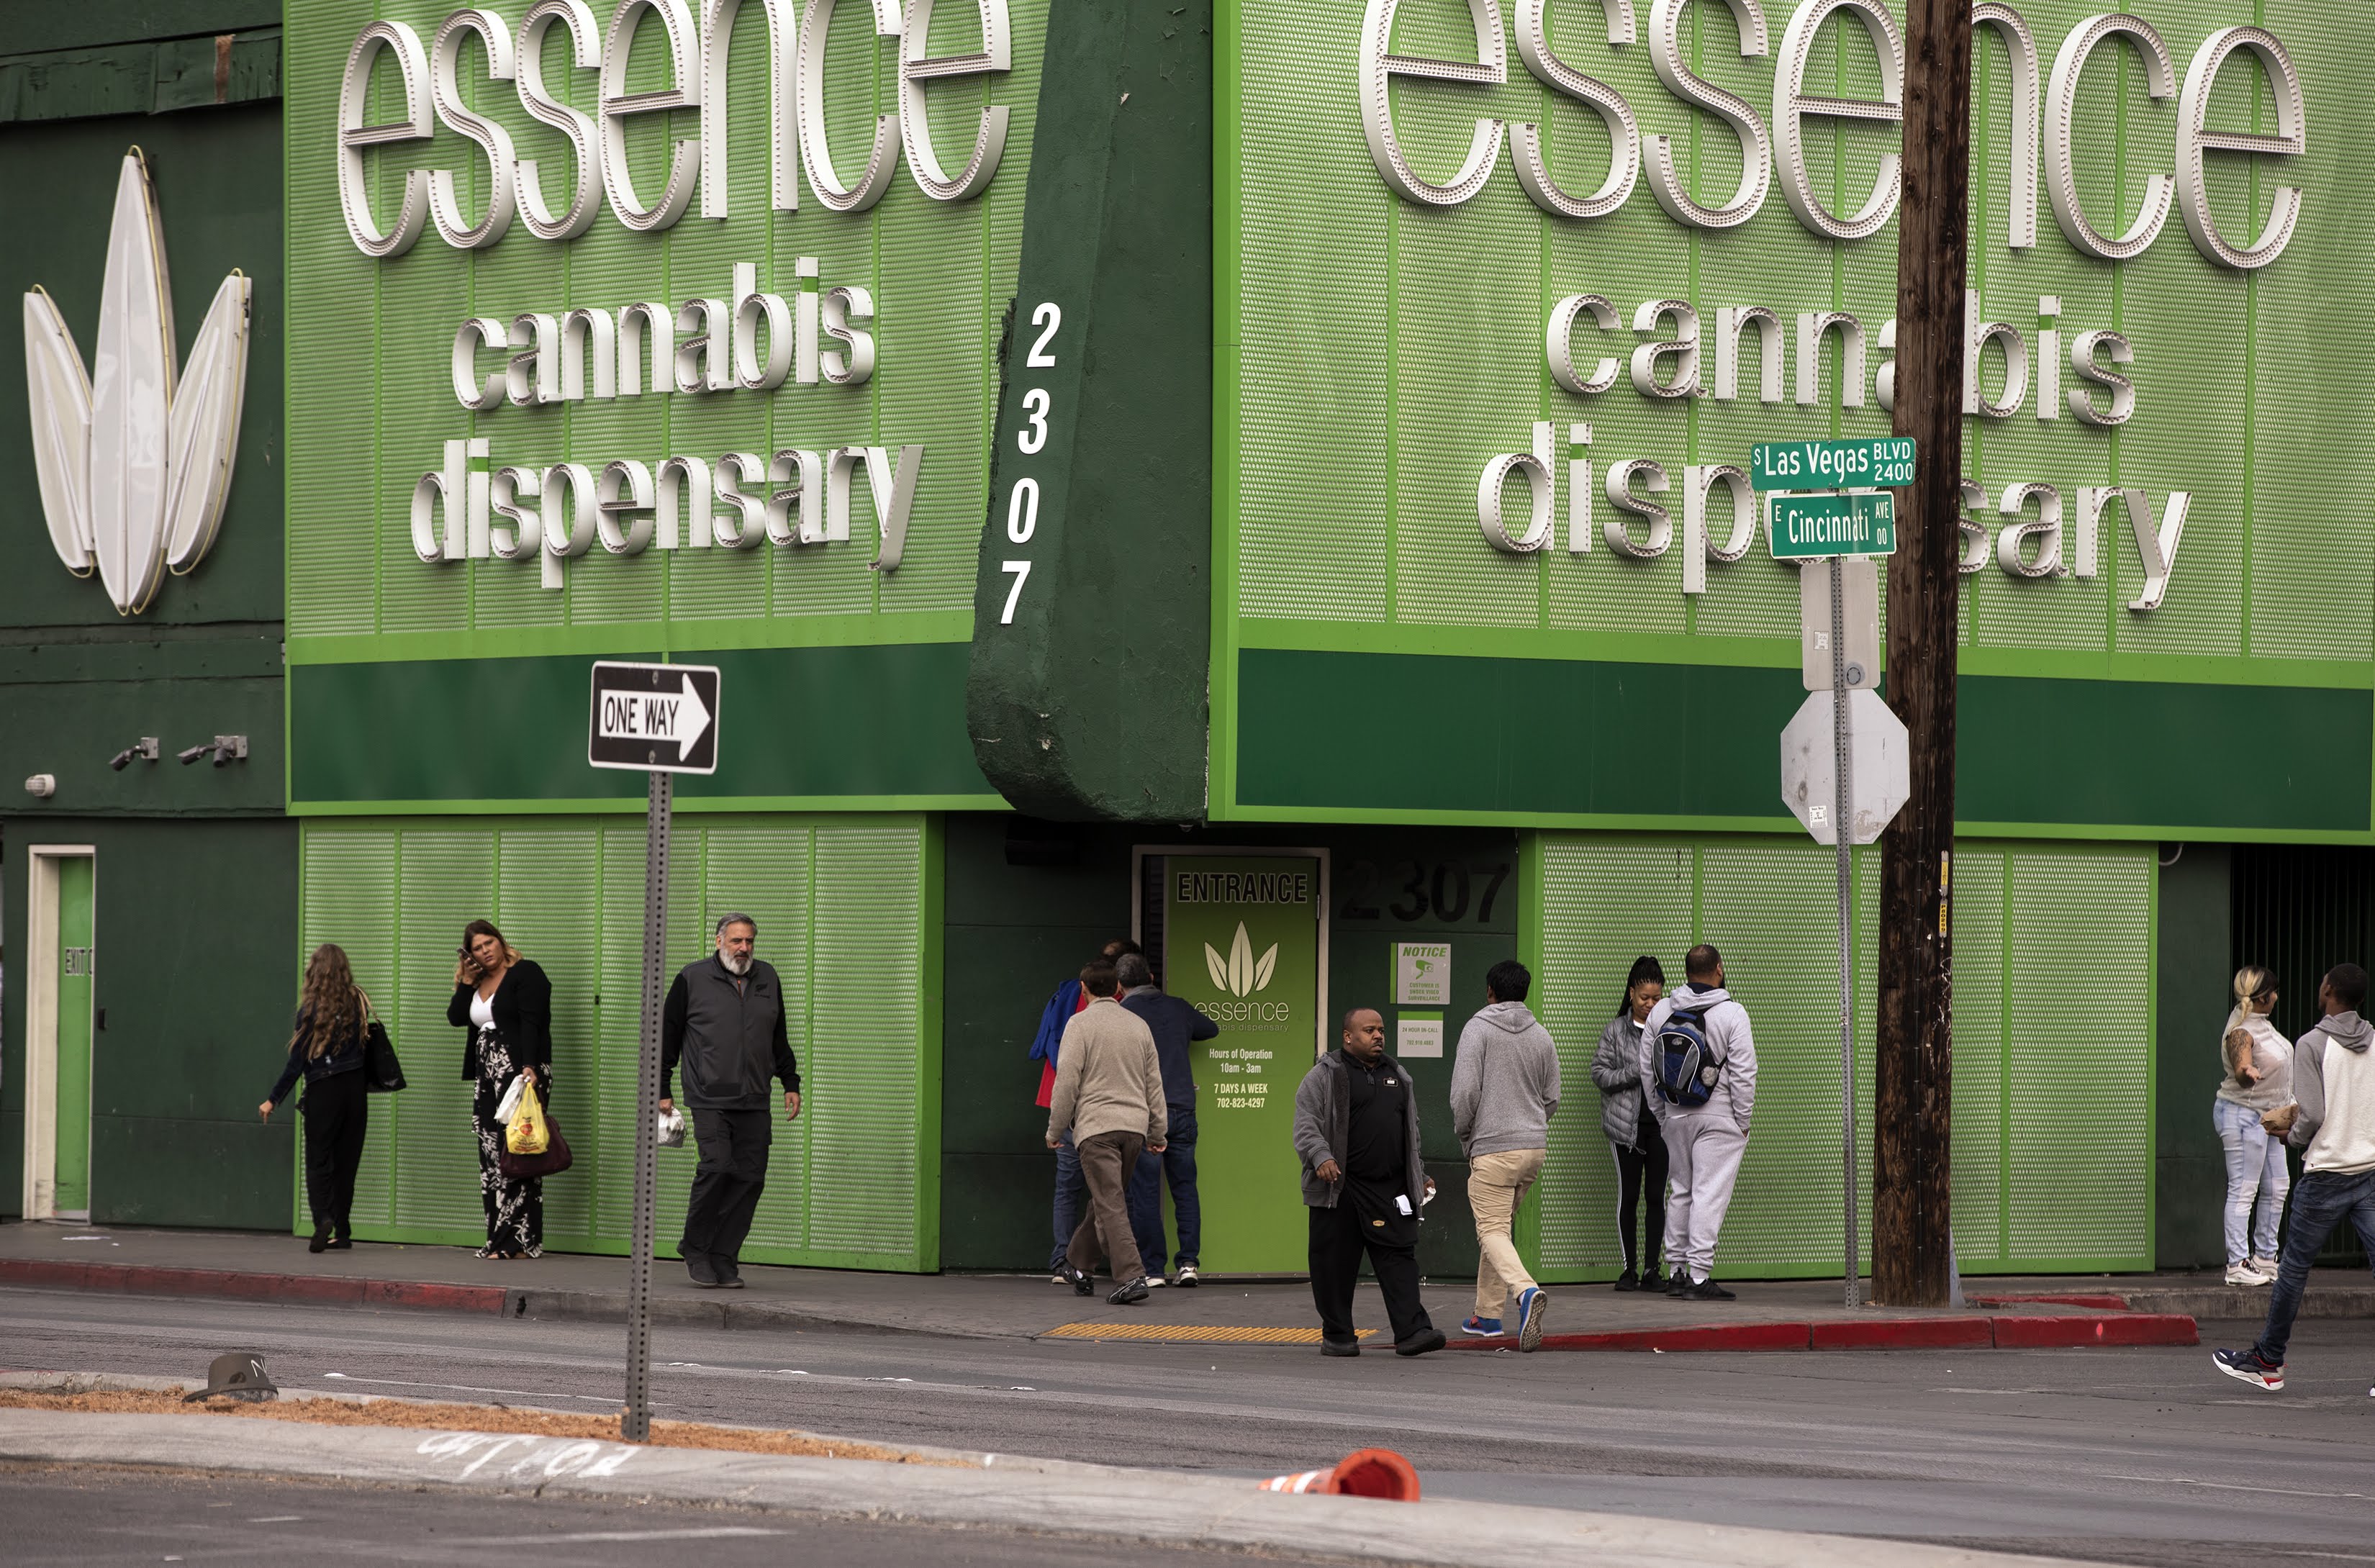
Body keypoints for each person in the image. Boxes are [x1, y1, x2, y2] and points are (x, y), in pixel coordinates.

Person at [2215, 963, 2375, 1392]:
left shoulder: (2312, 1043)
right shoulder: (2374, 1039)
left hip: (2327, 1171)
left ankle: (2268, 1361)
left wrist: (2293, 1136)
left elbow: (2315, 1113)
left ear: (2327, 991)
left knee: (2294, 1272)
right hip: (2368, 1169)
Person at [659, 912, 802, 1289]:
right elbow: (667, 1036)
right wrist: (661, 1087)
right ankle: (696, 1248)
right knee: (718, 1167)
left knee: (750, 1177)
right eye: (737, 941)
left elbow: (778, 1034)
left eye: (750, 941)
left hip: (755, 1095)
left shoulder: (767, 978)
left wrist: (790, 1081)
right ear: (719, 941)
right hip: (708, 1095)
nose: (744, 948)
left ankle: (723, 1257)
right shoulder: (692, 978)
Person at [1293, 1007, 1445, 1358]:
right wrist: (1321, 1157)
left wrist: (1417, 1175)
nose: (1379, 1036)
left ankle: (1412, 1332)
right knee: (1333, 1265)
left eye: (1381, 1030)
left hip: (1389, 1189)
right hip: (1340, 1189)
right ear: (1348, 1037)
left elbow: (1411, 1134)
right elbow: (1305, 1124)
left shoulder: (1398, 1076)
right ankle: (1338, 1336)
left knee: (1399, 1259)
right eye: (1369, 1030)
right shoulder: (1324, 1075)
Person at [1449, 959, 1561, 1350]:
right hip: (1533, 1149)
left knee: (1491, 1230)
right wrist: (1530, 1125)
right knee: (1499, 1230)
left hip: (1494, 1148)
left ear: (1490, 992)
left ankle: (1526, 1292)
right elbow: (1552, 1098)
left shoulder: (1477, 1029)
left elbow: (1464, 1094)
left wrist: (1468, 1136)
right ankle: (1487, 1316)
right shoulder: (1542, 1036)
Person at [1637, 943, 1757, 1301]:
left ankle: (1675, 1272)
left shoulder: (1661, 1012)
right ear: (1719, 968)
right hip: (1719, 1117)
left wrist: (1662, 1114)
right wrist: (1743, 1119)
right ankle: (1700, 1277)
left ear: (1686, 972)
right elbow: (1744, 1073)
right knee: (1709, 1192)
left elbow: (1647, 1068)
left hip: (1675, 1114)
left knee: (1682, 1190)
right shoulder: (1733, 1014)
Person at [1033, 938, 1157, 1281]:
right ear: (1119, 983)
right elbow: (1154, 1083)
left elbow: (1066, 1082)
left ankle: (1129, 1276)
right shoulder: (1138, 1023)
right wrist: (1157, 1130)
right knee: (1108, 1198)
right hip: (1134, 1128)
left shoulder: (1079, 1022)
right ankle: (1077, 1265)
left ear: (1083, 986)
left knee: (1098, 1199)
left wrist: (1055, 1130)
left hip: (1092, 1125)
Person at [447, 920, 553, 1261]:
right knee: (492, 1157)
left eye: (489, 943)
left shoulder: (526, 973)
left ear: (500, 941)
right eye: (477, 948)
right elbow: (455, 1017)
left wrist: (530, 1068)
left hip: (521, 1073)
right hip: (487, 1079)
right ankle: (498, 1237)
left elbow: (533, 1022)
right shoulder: (477, 982)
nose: (485, 951)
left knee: (520, 1152)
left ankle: (520, 1241)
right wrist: (465, 980)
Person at [258, 943, 374, 1254]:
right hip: (355, 1093)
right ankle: (343, 1232)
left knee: (319, 1161)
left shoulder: (310, 1011)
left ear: (314, 973)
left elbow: (297, 1061)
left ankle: (323, 1218)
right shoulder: (357, 1002)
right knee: (346, 1166)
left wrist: (273, 1099)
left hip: (324, 1092)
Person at [1120, 951, 1218, 1287]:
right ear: (1151, 978)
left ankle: (1153, 1269)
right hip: (1182, 1109)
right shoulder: (1179, 1007)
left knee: (1146, 1193)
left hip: (1146, 1114)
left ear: (1120, 986)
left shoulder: (1124, 1014)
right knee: (1185, 1188)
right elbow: (1211, 1029)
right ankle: (1189, 1262)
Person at [1592, 956, 1668, 1292]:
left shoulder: (1669, 1028)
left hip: (1663, 1128)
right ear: (1632, 992)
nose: (1650, 1005)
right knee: (1629, 1196)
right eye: (1644, 998)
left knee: (1657, 1196)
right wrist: (1635, 1070)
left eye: (1656, 998)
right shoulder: (1615, 1031)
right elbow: (1599, 1074)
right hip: (1625, 1128)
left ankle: (1653, 1269)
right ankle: (1629, 1270)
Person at [2213, 966, 2292, 1287]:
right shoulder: (2242, 1028)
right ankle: (2237, 1263)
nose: (2276, 996)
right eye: (2273, 992)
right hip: (2244, 1116)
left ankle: (2264, 1257)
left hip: (2268, 1118)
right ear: (2263, 997)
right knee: (2244, 1189)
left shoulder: (2262, 1025)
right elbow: (2241, 1058)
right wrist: (2247, 1072)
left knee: (2277, 1186)